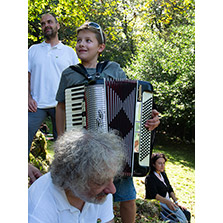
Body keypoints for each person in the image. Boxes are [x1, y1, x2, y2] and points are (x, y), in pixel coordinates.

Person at [55, 21, 160, 223]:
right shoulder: (69, 74)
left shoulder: (113, 69)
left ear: (100, 47)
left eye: (88, 40)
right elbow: (60, 106)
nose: (81, 44)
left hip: (115, 151)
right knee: (88, 199)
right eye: (78, 41)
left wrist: (150, 119)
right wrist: (61, 138)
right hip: (81, 149)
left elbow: (136, 104)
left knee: (127, 199)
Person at [28, 128, 125, 223]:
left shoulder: (100, 192)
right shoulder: (40, 205)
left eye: (112, 178)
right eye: (100, 182)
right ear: (73, 179)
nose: (113, 190)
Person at [28, 13, 79, 155]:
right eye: (43, 24)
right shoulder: (33, 50)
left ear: (57, 25)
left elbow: (76, 79)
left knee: (64, 147)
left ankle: (63, 176)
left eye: (49, 22)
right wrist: (28, 97)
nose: (46, 25)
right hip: (37, 105)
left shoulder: (69, 52)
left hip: (62, 105)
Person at [145, 153, 191, 222]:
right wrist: (168, 202)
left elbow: (169, 189)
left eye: (164, 163)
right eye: (160, 163)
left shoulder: (163, 174)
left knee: (187, 213)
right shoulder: (150, 178)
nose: (162, 166)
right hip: (159, 205)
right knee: (176, 220)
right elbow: (154, 195)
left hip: (168, 203)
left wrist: (176, 202)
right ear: (153, 164)